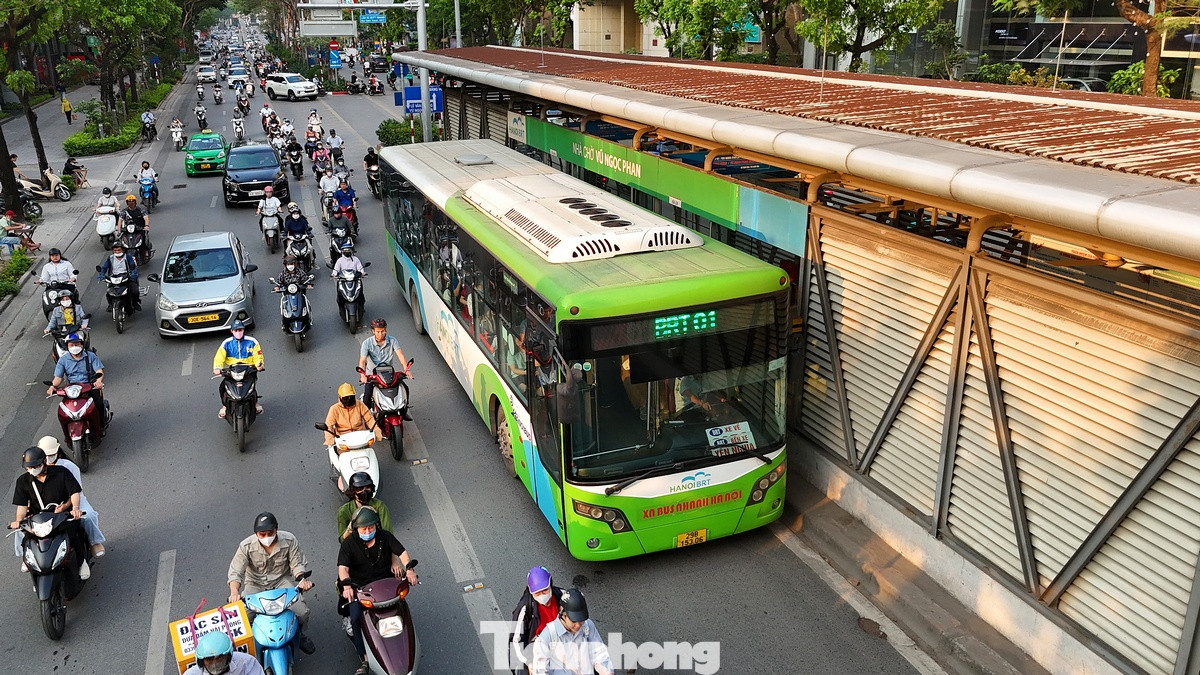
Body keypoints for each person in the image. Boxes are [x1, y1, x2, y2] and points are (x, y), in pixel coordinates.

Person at [336, 507, 418, 675]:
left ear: (376, 525)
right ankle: (365, 658)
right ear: (356, 528)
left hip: (386, 586)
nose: (368, 531)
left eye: (371, 527)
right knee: (355, 618)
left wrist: (409, 569)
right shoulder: (348, 544)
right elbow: (343, 568)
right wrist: (347, 587)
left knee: (403, 609)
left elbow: (402, 553)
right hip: (361, 589)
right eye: (364, 529)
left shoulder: (385, 537)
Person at [226, 512, 316, 655]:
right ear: (256, 533)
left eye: (270, 533)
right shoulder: (246, 546)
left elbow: (297, 565)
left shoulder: (289, 540)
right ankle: (247, 644)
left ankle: (298, 634)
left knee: (302, 612)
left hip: (281, 582)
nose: (266, 537)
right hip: (255, 584)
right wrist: (234, 592)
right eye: (262, 534)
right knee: (241, 617)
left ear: (276, 530)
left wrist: (302, 580)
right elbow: (236, 572)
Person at [10, 447, 90, 580]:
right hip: (39, 520)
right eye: (29, 467)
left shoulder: (61, 472)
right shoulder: (23, 481)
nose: (32, 469)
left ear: (44, 462)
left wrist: (75, 508)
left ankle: (82, 563)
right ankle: (29, 562)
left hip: (62, 516)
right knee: (27, 539)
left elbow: (74, 492)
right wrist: (18, 520)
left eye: (35, 466)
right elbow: (22, 506)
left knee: (71, 534)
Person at [37, 436, 105, 558]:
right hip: (49, 504)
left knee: (89, 516)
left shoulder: (68, 467)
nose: (48, 459)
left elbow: (75, 491)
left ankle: (95, 542)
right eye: (45, 456)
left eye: (51, 455)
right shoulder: (37, 469)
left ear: (57, 452)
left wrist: (68, 506)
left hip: (73, 500)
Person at [530, 588, 614, 675]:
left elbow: (599, 654)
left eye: (581, 620)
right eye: (573, 621)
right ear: (563, 615)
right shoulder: (546, 637)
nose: (578, 625)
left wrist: (607, 672)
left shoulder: (587, 626)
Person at [511, 566, 566, 675]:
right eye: (537, 593)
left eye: (545, 590)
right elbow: (516, 641)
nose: (542, 595)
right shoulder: (525, 608)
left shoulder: (563, 597)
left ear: (550, 584)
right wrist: (529, 663)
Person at [358, 318, 412, 419]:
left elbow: (400, 355)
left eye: (382, 331)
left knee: (405, 388)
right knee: (367, 396)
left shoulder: (392, 340)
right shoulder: (367, 343)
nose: (380, 334)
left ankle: (404, 411)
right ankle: (366, 418)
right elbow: (362, 360)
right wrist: (363, 375)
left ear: (385, 330)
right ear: (373, 331)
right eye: (378, 332)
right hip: (373, 375)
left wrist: (406, 369)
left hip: (388, 373)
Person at [212, 320, 264, 418]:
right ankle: (225, 406)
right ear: (232, 331)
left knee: (251, 386)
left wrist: (259, 365)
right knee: (222, 387)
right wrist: (217, 368)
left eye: (240, 330)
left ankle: (256, 403)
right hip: (233, 370)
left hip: (249, 369)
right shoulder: (226, 343)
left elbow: (258, 356)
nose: (238, 332)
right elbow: (219, 357)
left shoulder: (252, 342)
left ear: (243, 330)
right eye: (236, 330)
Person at [335, 473, 393, 541]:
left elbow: (388, 534)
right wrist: (350, 528)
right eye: (360, 489)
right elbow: (342, 539)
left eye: (367, 487)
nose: (364, 491)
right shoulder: (344, 511)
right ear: (353, 491)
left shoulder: (380, 506)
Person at [181, 631, 265, 675]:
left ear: (228, 656)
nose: (215, 663)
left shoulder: (247, 663)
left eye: (220, 657)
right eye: (209, 659)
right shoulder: (191, 674)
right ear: (201, 661)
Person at [97, 241, 140, 311]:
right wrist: (101, 274)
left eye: (119, 250)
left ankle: (135, 303)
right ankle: (110, 305)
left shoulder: (128, 257)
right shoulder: (110, 258)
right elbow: (104, 268)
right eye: (115, 250)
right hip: (114, 277)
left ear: (123, 250)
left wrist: (133, 274)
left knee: (134, 291)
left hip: (126, 276)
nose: (117, 252)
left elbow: (133, 267)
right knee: (109, 293)